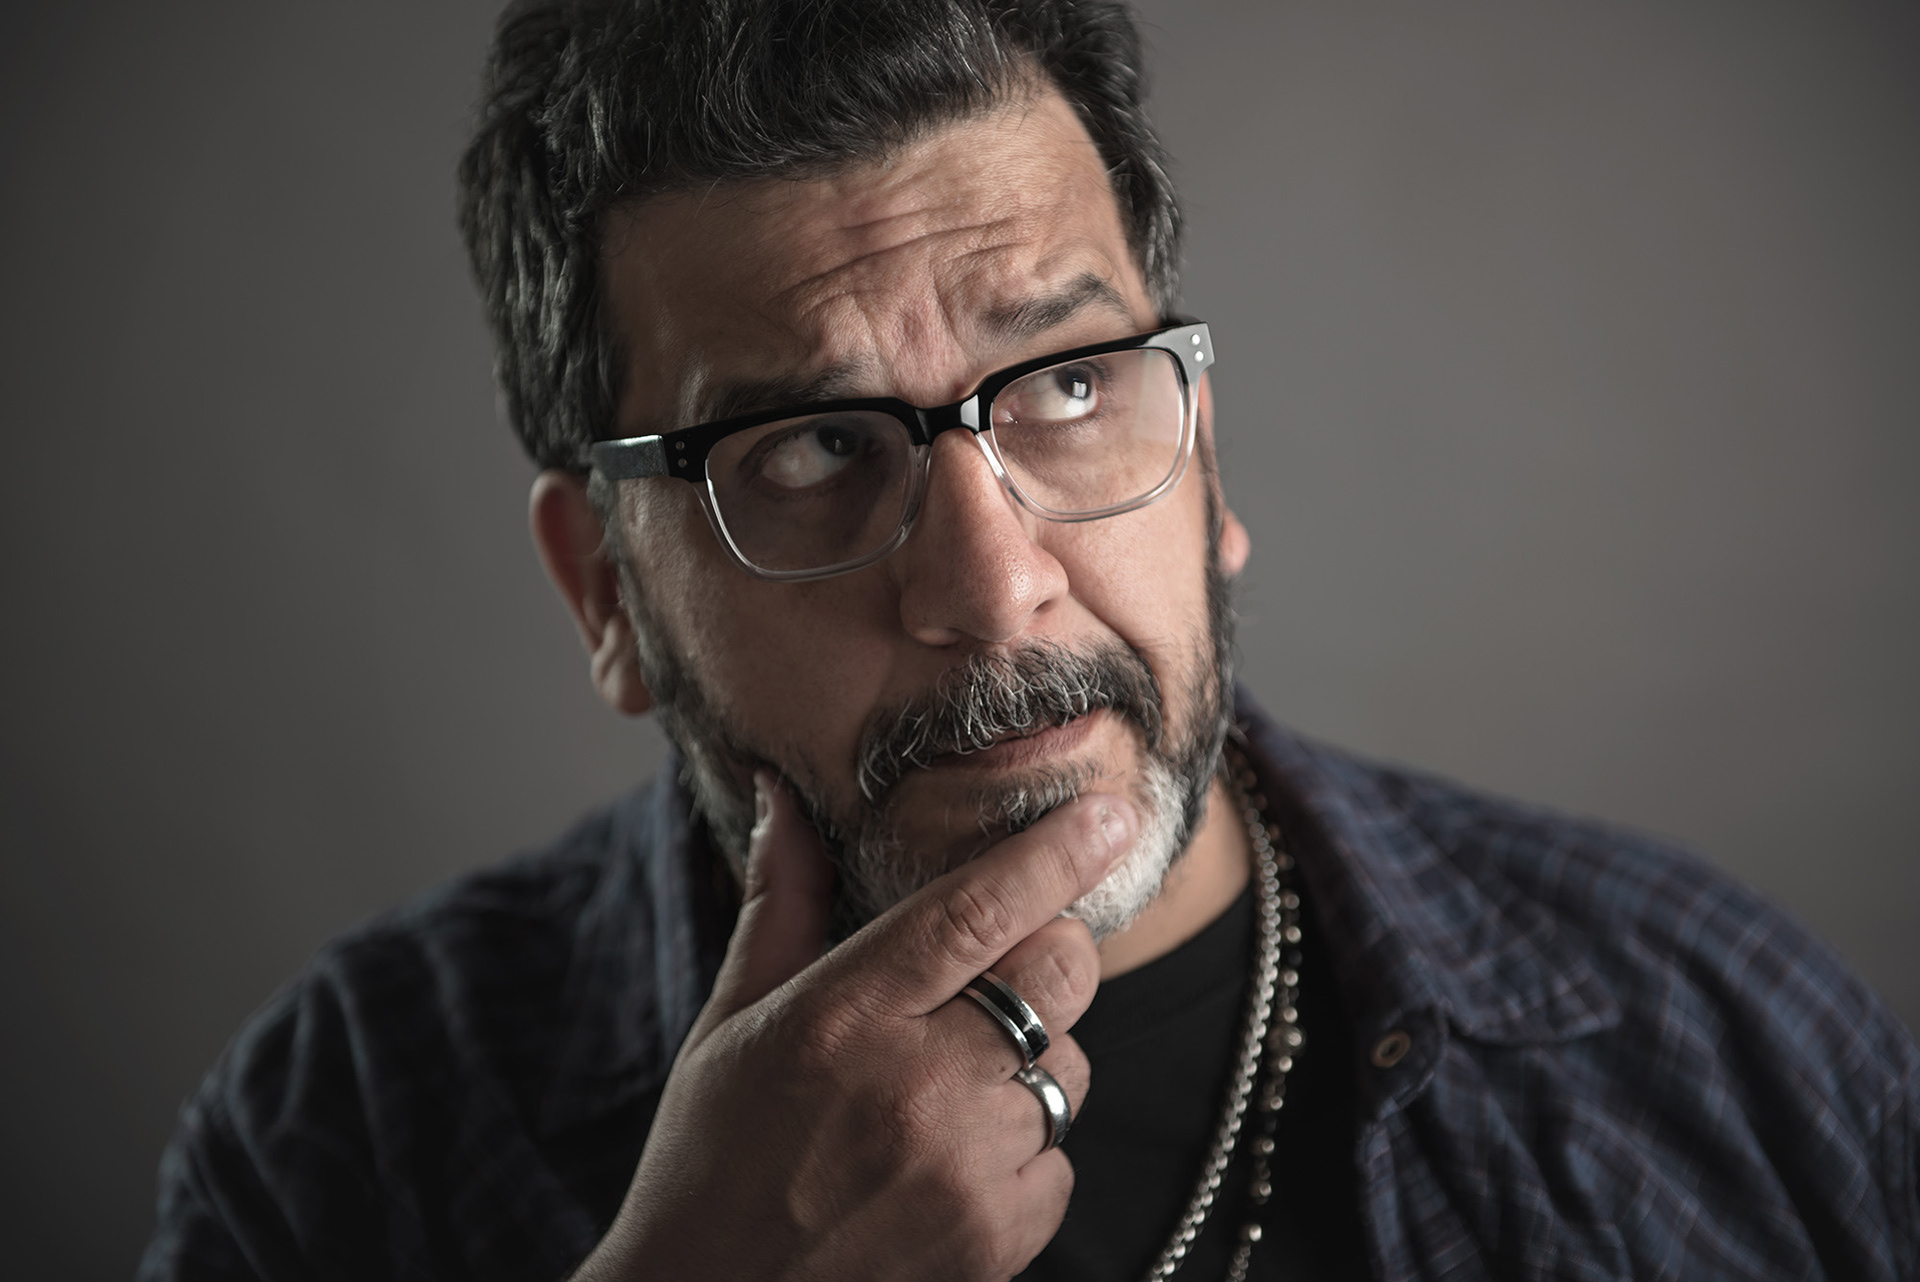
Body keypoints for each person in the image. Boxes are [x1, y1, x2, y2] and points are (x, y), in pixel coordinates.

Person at [140, 1, 1919, 1279]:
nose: (996, 591)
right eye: (812, 451)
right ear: (606, 589)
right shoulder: (348, 1133)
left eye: (1068, 386)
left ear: (1206, 454)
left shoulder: (1722, 1048)